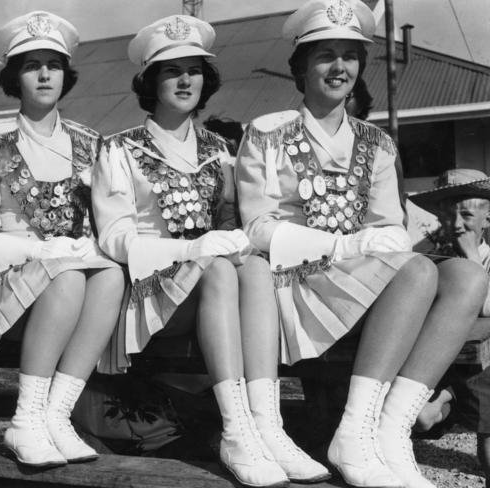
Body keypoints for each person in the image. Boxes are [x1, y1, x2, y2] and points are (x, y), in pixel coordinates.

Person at [234, 1, 488, 487]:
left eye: (349, 56)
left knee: (469, 276)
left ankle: (388, 430)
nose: (339, 67)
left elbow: (392, 228)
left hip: (363, 279)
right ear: (301, 68)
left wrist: (370, 244)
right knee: (417, 270)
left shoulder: (377, 143)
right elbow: (258, 227)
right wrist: (345, 246)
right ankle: (353, 432)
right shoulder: (266, 134)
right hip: (293, 280)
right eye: (325, 55)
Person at [92, 14, 330, 488]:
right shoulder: (118, 149)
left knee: (256, 270)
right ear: (148, 80)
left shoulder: (222, 151)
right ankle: (237, 430)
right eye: (170, 70)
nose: (185, 80)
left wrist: (232, 241)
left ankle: (268, 424)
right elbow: (114, 238)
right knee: (221, 271)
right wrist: (193, 248)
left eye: (194, 70)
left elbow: (232, 223)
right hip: (146, 291)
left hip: (211, 296)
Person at [0, 11, 125, 467]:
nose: (45, 74)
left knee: (111, 276)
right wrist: (37, 250)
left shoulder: (90, 142)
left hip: (71, 275)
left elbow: (106, 224)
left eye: (53, 64)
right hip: (10, 278)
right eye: (32, 65)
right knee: (70, 278)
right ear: (16, 77)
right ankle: (25, 418)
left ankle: (56, 415)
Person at [410, 168, 490, 487]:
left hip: (483, 367)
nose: (457, 224)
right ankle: (447, 397)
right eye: (450, 214)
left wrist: (470, 258)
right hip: (442, 362)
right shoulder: (431, 262)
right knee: (420, 418)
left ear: (487, 220)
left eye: (467, 215)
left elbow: (486, 306)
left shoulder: (487, 260)